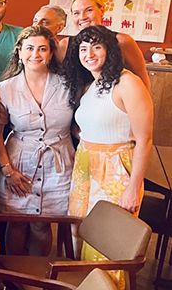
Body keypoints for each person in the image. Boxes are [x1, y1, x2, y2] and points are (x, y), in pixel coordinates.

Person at [62, 25, 153, 286]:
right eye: (83, 48)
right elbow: (87, 126)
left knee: (109, 244)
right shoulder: (92, 85)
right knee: (82, 234)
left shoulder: (129, 83)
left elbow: (144, 140)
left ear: (110, 50)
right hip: (85, 168)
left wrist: (133, 188)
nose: (89, 53)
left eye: (96, 47)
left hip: (115, 170)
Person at [0, 26, 74, 256]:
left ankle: (37, 279)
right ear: (19, 52)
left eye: (42, 49)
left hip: (58, 163)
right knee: (16, 221)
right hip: (19, 161)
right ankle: (12, 279)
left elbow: (79, 125)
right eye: (29, 48)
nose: (35, 54)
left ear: (50, 54)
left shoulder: (67, 84)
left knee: (42, 223)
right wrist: (8, 170)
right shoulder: (6, 88)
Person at [56, 0, 150, 90]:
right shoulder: (65, 45)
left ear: (102, 10)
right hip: (76, 104)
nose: (82, 17)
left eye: (89, 10)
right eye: (76, 13)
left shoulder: (122, 41)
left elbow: (142, 81)